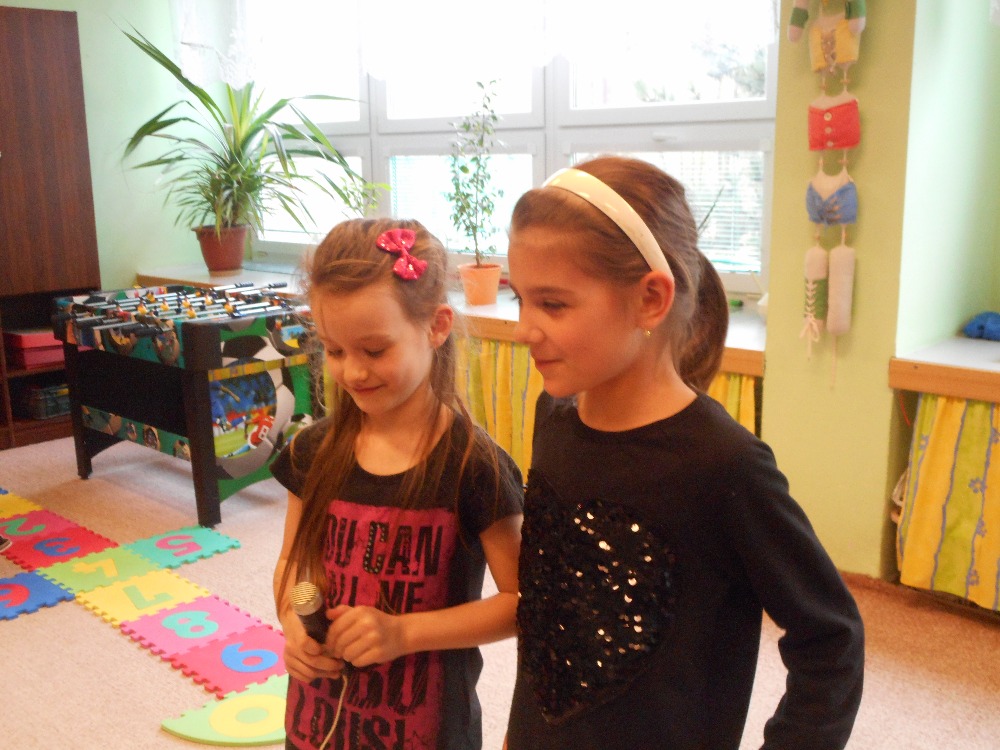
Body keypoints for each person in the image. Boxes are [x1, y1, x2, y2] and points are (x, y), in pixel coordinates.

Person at [504, 157, 864, 750]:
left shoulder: (723, 465)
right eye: (519, 299)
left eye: (553, 304)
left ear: (650, 299)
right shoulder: (554, 418)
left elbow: (831, 639)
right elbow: (549, 617)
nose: (523, 328)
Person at [272, 218, 524, 750]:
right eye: (334, 351)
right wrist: (292, 622)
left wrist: (403, 633)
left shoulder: (475, 467)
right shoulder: (311, 452)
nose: (352, 372)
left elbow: (520, 603)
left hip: (425, 731)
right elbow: (293, 560)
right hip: (318, 724)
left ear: (436, 326)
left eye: (374, 350)